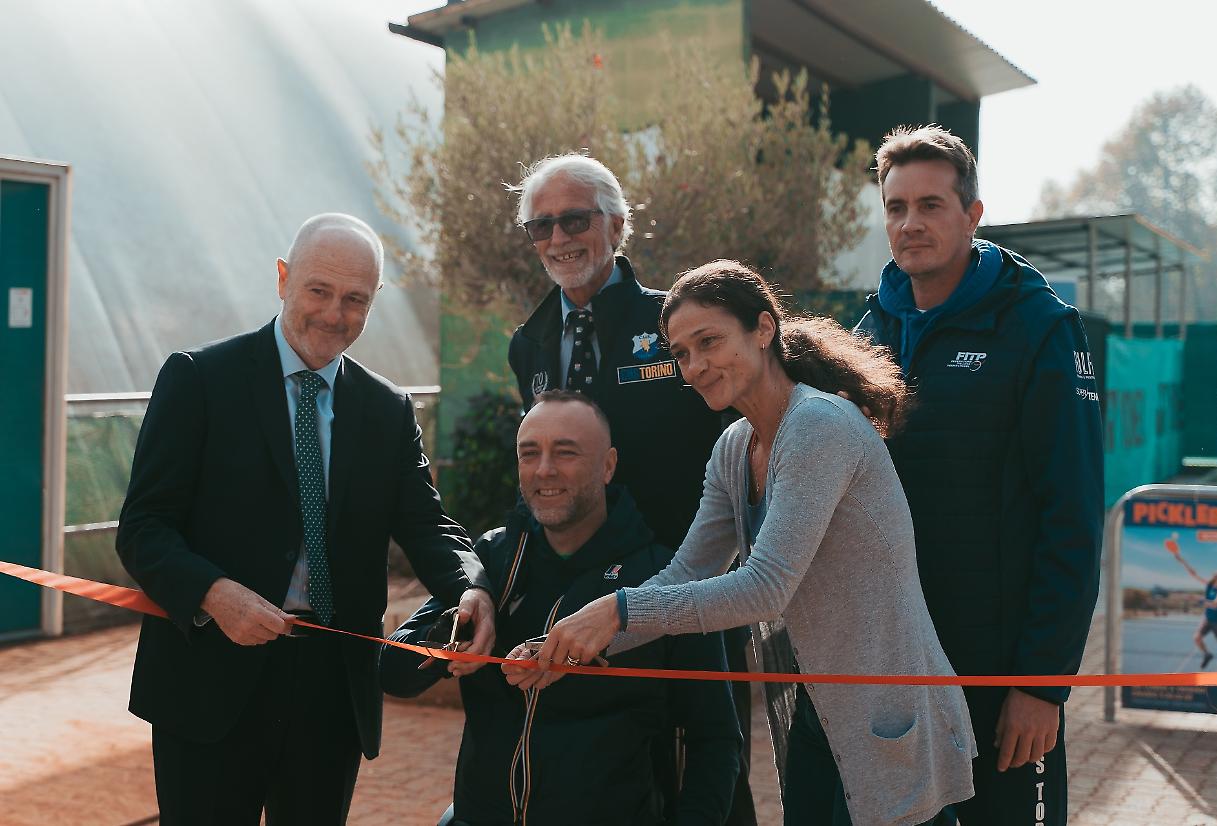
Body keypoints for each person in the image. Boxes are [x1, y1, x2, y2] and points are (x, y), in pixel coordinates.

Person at [518, 260, 977, 826]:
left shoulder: (818, 425)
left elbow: (765, 589)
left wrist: (617, 611)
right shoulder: (735, 446)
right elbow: (686, 574)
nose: (695, 367)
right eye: (681, 354)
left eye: (708, 342)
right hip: (815, 713)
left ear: (763, 330)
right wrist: (573, 645)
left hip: (887, 716)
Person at [116, 213, 495, 825]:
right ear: (283, 279)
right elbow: (143, 529)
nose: (334, 314)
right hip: (211, 677)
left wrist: (470, 587)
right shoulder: (199, 379)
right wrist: (214, 595)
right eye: (319, 291)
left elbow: (428, 525)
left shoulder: (386, 409)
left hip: (330, 687)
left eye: (356, 300)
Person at [854, 126, 1104, 826]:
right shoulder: (869, 330)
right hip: (897, 667)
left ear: (972, 215)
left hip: (1000, 677)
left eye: (931, 205)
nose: (910, 223)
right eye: (896, 206)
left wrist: (1041, 683)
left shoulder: (1040, 327)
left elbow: (1074, 515)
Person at [507, 152, 757, 824]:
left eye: (574, 219)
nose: (558, 238)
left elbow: (746, 444)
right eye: (541, 226)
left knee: (711, 774)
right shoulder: (527, 344)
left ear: (617, 225)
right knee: (600, 775)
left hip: (685, 592)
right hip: (580, 601)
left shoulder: (678, 326)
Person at [382, 391, 742, 825]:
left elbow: (716, 739)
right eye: (528, 454)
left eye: (566, 453)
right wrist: (453, 633)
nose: (544, 470)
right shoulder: (492, 560)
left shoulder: (662, 577)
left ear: (608, 466)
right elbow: (393, 673)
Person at [1166, 539, 1217, 670]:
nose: (1216, 578)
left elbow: (1215, 605)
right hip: (1207, 619)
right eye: (1216, 576)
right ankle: (1207, 654)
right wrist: (1180, 559)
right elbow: (1193, 573)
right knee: (1197, 638)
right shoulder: (1209, 585)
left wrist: (1199, 599)